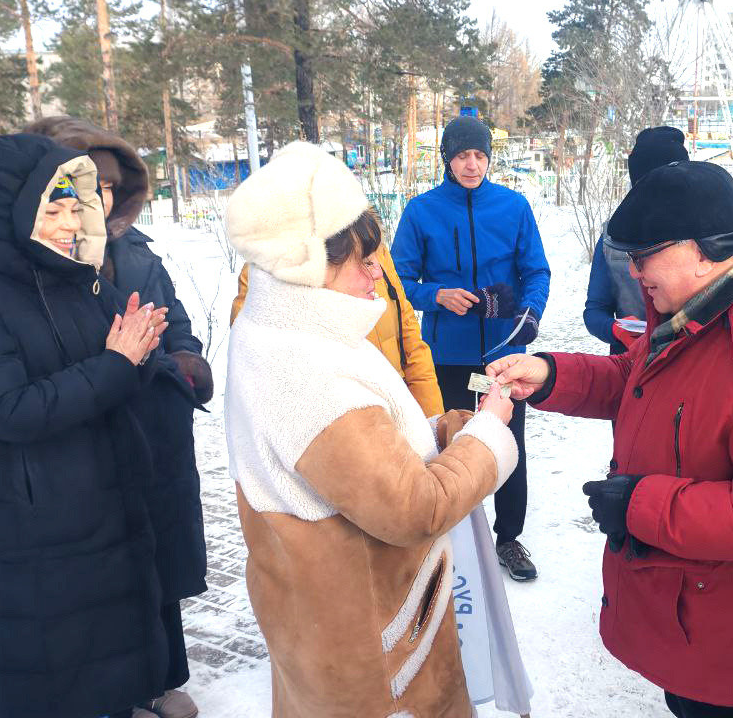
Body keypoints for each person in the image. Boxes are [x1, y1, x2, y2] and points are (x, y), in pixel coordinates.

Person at [487, 160, 733, 717]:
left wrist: (638, 503)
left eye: (644, 256)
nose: (635, 272)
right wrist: (552, 374)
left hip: (727, 626)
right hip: (682, 607)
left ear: (704, 249)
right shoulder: (696, 311)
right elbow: (633, 381)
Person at [223, 142, 519, 717]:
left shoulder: (288, 331)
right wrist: (487, 438)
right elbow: (414, 508)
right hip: (374, 651)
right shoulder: (304, 370)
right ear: (307, 263)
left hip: (326, 625)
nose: (375, 275)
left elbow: (373, 451)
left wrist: (457, 427)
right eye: (360, 261)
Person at [0, 133, 172, 718]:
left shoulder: (75, 280)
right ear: (4, 211)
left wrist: (143, 351)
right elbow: (8, 409)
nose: (68, 223)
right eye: (50, 209)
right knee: (50, 680)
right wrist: (116, 363)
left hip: (107, 515)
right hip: (31, 533)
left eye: (74, 207)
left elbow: (120, 373)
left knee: (114, 669)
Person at [24, 116, 209, 718]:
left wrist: (183, 365)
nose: (98, 197)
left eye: (106, 185)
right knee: (104, 571)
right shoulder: (37, 266)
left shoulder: (136, 252)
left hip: (154, 431)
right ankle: (116, 693)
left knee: (156, 558)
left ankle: (161, 677)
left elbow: (177, 326)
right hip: (87, 440)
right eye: (83, 183)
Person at [391, 115, 551, 582]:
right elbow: (399, 281)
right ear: (447, 158)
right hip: (447, 357)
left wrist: (530, 313)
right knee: (449, 445)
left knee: (507, 442)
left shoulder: (514, 207)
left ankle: (508, 538)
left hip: (503, 354)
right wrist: (435, 294)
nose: (472, 164)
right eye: (463, 155)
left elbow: (536, 271)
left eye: (480, 155)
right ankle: (452, 533)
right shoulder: (421, 211)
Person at [230, 241, 443, 416]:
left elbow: (411, 340)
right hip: (335, 425)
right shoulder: (268, 267)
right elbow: (258, 367)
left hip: (397, 409)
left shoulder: (370, 241)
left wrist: (431, 419)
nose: (376, 272)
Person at [583, 127, 687, 354]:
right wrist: (615, 330)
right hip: (631, 363)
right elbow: (594, 311)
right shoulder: (612, 237)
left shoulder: (707, 233)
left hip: (694, 363)